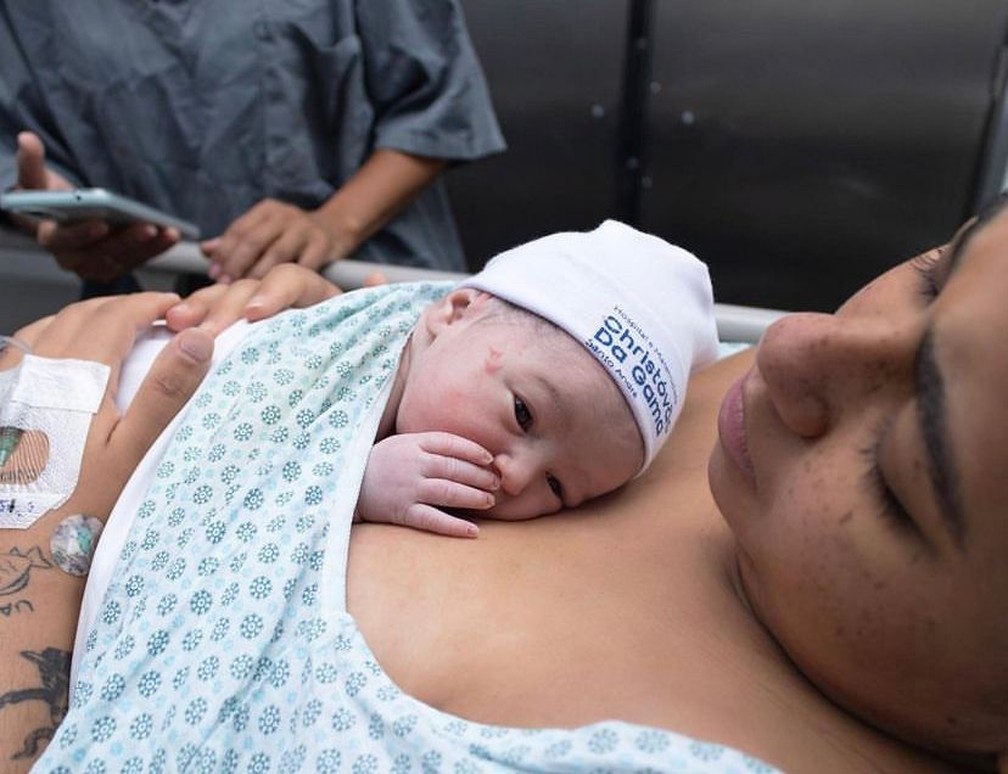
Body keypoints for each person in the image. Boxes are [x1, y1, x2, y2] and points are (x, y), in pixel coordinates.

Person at [5, 203, 1008, 771]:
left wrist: (36, 559)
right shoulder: (732, 364)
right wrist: (340, 342)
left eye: (904, 475)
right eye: (932, 273)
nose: (791, 349)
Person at [0, 0, 505, 294]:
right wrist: (56, 216)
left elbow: (437, 106)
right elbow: (17, 156)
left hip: (360, 290)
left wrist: (331, 225)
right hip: (153, 324)